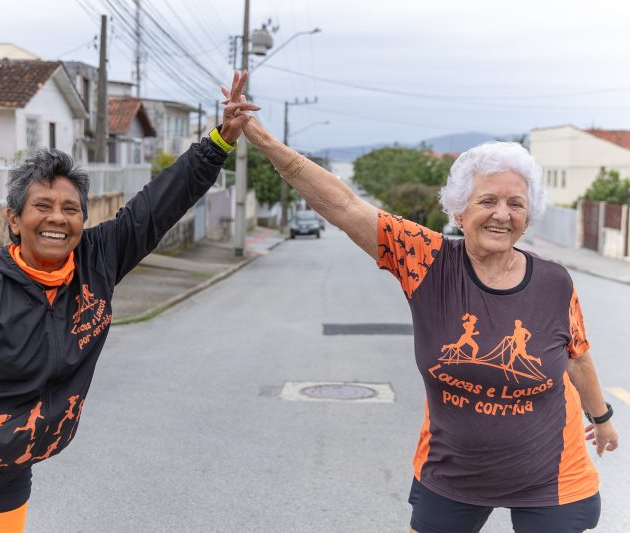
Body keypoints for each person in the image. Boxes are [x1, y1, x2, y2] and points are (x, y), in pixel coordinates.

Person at [224, 73, 619, 533]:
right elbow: (344, 206)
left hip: (553, 475)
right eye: (487, 200)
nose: (502, 213)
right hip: (454, 472)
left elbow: (577, 354)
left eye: (516, 203)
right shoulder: (426, 259)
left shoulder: (554, 281)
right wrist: (263, 138)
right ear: (457, 210)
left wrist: (603, 419)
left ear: (529, 214)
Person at [0, 72, 259, 533]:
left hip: (11, 473)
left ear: (82, 218)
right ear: (14, 220)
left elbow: (159, 204)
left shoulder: (97, 262)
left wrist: (218, 141)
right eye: (42, 206)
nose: (57, 217)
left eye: (70, 208)